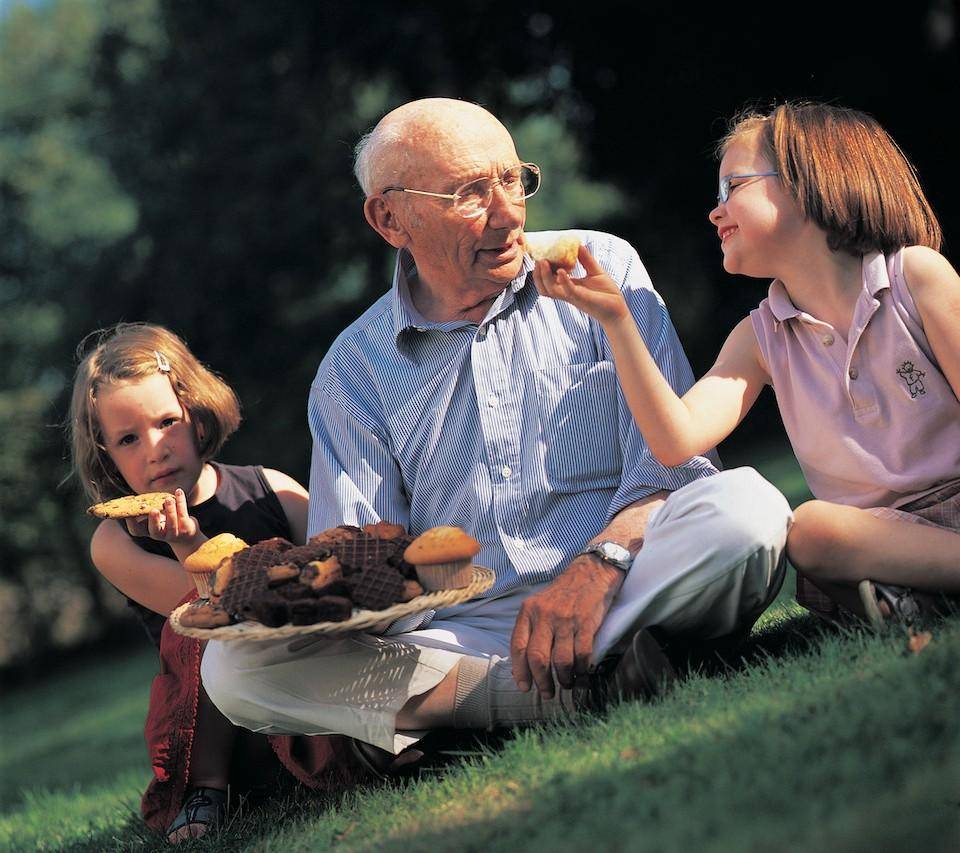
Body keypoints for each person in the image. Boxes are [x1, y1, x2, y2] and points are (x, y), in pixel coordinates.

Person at [201, 98, 792, 769]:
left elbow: (675, 468)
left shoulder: (602, 267)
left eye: (513, 180)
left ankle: (462, 713)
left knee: (748, 514)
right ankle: (569, 686)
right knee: (234, 671)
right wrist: (290, 597)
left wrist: (599, 563)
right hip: (464, 635)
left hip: (625, 578)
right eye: (470, 194)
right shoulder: (352, 370)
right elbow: (367, 572)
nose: (510, 214)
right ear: (389, 218)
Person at [534, 101, 960, 627]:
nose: (715, 211)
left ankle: (916, 598)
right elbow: (675, 441)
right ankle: (918, 594)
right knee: (811, 531)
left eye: (732, 187)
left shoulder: (915, 278)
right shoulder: (759, 338)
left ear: (810, 183)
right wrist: (616, 320)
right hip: (874, 536)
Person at [67, 323, 358, 843]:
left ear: (198, 416)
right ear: (105, 452)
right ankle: (205, 792)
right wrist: (187, 542)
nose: (155, 449)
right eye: (129, 439)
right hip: (218, 729)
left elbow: (333, 574)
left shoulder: (272, 490)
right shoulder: (115, 543)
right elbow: (216, 610)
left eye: (166, 422)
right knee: (210, 637)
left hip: (307, 674)